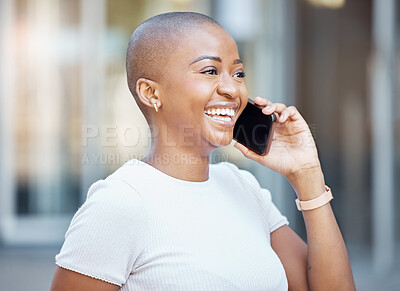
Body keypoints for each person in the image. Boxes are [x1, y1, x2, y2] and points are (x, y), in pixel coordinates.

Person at [50, 12, 356, 291]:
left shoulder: (243, 186)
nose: (233, 90)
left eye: (238, 74)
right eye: (210, 71)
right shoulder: (120, 202)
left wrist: (307, 176)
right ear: (151, 93)